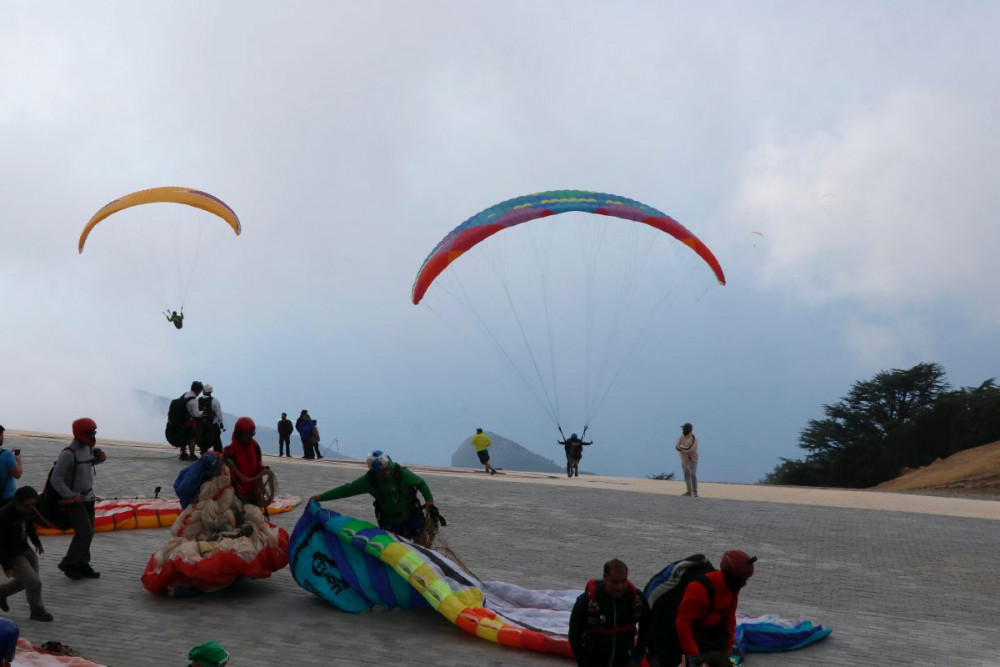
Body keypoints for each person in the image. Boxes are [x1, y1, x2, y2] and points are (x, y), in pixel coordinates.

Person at [648, 551, 756, 667]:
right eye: (741, 581)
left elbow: (730, 617)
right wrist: (693, 655)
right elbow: (683, 623)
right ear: (730, 576)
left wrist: (728, 647)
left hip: (707, 638)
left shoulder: (732, 588)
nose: (744, 584)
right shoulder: (699, 589)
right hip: (684, 641)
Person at [311, 450, 436, 541]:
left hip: (411, 515)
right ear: (374, 472)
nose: (387, 472)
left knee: (422, 543)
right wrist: (321, 497)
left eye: (387, 468)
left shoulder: (400, 473)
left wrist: (429, 500)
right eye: (382, 471)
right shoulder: (369, 482)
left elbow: (420, 483)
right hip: (390, 522)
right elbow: (346, 490)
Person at [51, 418, 106, 581]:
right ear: (82, 433)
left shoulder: (88, 449)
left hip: (88, 497)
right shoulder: (68, 453)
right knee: (84, 532)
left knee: (89, 532)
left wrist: (99, 460)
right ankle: (68, 563)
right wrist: (71, 496)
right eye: (91, 433)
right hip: (74, 500)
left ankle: (82, 563)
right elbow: (56, 479)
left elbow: (85, 467)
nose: (93, 436)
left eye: (94, 433)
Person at [568, 558, 649, 666]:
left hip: (626, 662)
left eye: (623, 581)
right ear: (605, 578)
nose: (619, 587)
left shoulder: (636, 600)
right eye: (614, 582)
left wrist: (637, 657)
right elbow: (574, 635)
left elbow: (647, 626)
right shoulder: (586, 601)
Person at [0, 487, 52, 622]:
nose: (31, 508)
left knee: (26, 582)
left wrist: (37, 542)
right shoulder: (4, 515)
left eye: (33, 504)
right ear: (17, 503)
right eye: (27, 505)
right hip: (13, 554)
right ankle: (37, 611)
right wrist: (6, 564)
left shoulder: (28, 510)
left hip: (25, 549)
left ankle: (1, 593)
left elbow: (30, 526)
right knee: (34, 582)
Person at [221, 417, 265, 505]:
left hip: (254, 495)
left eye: (252, 434)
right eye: (247, 435)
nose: (250, 438)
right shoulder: (229, 452)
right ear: (238, 434)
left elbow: (259, 466)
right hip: (237, 498)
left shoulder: (255, 446)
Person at [197, 384, 224, 454]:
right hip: (212, 424)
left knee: (203, 439)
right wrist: (221, 422)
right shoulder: (214, 401)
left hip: (201, 424)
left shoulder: (199, 400)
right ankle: (218, 453)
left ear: (204, 391)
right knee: (216, 439)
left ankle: (203, 453)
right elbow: (218, 413)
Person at [0, 426, 23, 506]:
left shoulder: (6, 454)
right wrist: (18, 460)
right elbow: (18, 474)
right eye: (2, 435)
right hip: (6, 497)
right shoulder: (6, 455)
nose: (3, 437)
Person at [676, 423, 699, 497]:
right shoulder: (681, 437)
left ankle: (695, 492)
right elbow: (676, 446)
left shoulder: (693, 438)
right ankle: (689, 491)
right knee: (686, 475)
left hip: (692, 459)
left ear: (689, 429)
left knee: (692, 474)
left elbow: (690, 449)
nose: (683, 430)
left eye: (684, 428)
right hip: (684, 459)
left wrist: (681, 447)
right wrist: (682, 448)